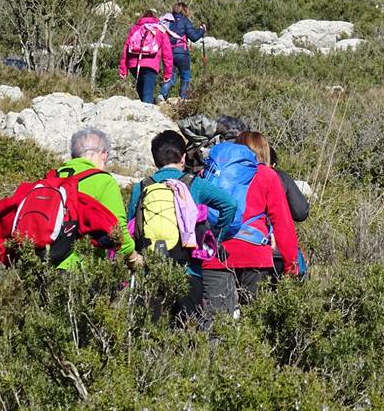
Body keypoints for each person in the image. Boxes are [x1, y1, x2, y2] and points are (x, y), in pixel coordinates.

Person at [126, 130, 238, 323]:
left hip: (150, 271)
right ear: (183, 157)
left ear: (155, 160)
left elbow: (130, 227)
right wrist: (216, 238)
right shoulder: (194, 184)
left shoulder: (141, 187)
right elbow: (230, 205)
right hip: (189, 271)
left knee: (150, 331)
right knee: (187, 330)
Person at [197, 131, 299, 316]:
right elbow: (282, 223)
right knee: (254, 321)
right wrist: (291, 265)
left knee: (217, 322)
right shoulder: (267, 175)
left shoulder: (211, 171)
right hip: (255, 254)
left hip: (216, 253)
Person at [56, 128, 141, 270]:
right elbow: (118, 231)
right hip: (80, 269)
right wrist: (133, 256)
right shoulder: (103, 181)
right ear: (104, 155)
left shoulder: (52, 177)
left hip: (43, 266)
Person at [269, 146, 309, 282]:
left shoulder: (238, 174)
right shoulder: (281, 177)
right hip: (279, 250)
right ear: (274, 163)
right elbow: (301, 212)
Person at [119, 10, 173, 105]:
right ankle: (147, 110)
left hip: (134, 65)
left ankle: (143, 108)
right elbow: (167, 53)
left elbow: (126, 48)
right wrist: (167, 74)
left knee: (141, 88)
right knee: (147, 94)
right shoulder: (160, 29)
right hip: (150, 65)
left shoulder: (135, 28)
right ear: (155, 18)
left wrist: (123, 69)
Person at [158, 2, 206, 103]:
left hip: (168, 53)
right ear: (185, 10)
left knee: (170, 77)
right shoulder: (185, 21)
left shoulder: (167, 21)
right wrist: (201, 30)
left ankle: (162, 95)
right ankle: (182, 98)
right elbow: (194, 37)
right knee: (185, 76)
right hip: (182, 53)